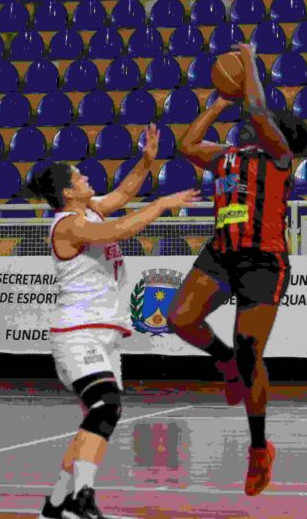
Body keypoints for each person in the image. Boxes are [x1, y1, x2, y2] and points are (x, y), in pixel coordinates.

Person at [28, 126, 199, 519]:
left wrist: (147, 160)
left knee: (99, 416)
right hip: (77, 332)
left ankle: (55, 504)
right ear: (68, 192)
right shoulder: (68, 225)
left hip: (103, 333)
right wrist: (162, 205)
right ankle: (81, 498)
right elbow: (119, 229)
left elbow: (123, 196)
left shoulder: (88, 209)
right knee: (105, 406)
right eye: (79, 176)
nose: (86, 177)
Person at [168, 42, 307, 496]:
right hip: (221, 253)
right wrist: (219, 101)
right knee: (179, 318)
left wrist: (250, 59)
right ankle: (223, 360)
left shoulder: (278, 157)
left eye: (260, 121)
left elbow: (258, 109)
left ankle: (258, 449)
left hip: (262, 260)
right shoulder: (228, 156)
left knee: (252, 350)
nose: (250, 121)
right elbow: (187, 144)